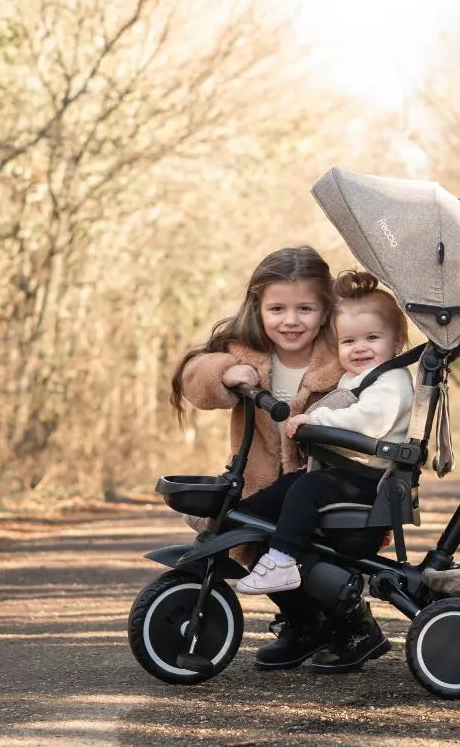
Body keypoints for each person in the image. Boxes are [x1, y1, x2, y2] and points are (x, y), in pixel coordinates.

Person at [171, 246, 387, 672]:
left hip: (325, 484)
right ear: (258, 305)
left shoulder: (344, 350)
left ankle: (354, 625)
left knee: (301, 554)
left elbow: (383, 372)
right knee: (249, 540)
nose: (291, 321)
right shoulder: (243, 350)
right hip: (260, 480)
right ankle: (304, 624)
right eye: (278, 309)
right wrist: (226, 373)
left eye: (305, 308)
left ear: (326, 308)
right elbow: (194, 374)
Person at [234, 269, 415, 613]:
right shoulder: (356, 377)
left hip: (370, 482)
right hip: (347, 475)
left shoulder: (391, 380)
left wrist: (316, 420)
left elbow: (368, 422)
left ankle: (282, 560)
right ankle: (237, 517)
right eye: (348, 342)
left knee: (308, 488)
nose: (359, 348)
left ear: (397, 342)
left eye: (372, 338)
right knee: (292, 484)